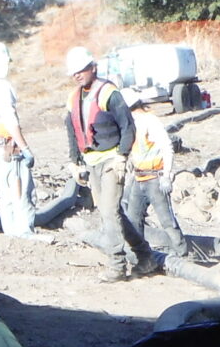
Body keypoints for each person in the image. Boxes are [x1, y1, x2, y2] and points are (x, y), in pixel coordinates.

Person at [59, 46, 145, 281]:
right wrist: (74, 162)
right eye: (74, 72)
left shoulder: (108, 93)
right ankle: (144, 256)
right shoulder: (73, 98)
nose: (77, 75)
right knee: (111, 212)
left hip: (111, 160)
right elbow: (72, 130)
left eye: (81, 70)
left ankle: (117, 265)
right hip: (91, 162)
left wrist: (121, 156)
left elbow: (128, 126)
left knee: (108, 212)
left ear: (93, 68)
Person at [120, 84, 196, 267]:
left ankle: (183, 256)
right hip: (139, 178)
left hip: (155, 178)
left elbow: (166, 147)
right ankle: (140, 258)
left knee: (166, 220)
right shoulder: (132, 124)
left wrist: (166, 175)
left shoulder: (148, 121)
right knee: (133, 220)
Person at [0, 41, 36, 237]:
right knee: (21, 195)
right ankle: (25, 234)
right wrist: (25, 147)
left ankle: (11, 236)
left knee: (6, 198)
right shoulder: (1, 86)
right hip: (8, 149)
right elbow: (11, 121)